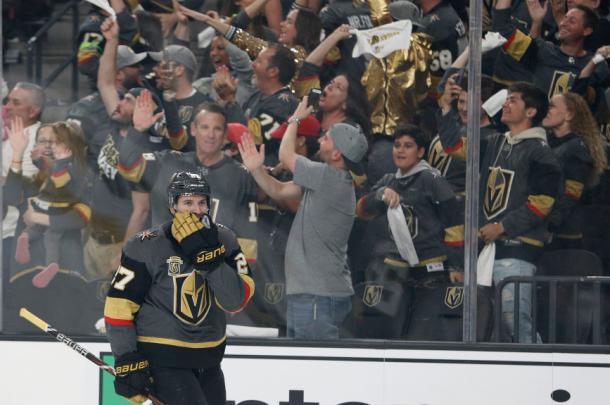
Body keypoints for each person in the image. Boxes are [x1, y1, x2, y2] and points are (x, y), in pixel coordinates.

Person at [104, 170, 254, 405]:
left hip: (210, 361)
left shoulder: (225, 239)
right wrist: (126, 359)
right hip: (164, 361)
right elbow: (118, 307)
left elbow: (236, 301)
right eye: (187, 202)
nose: (196, 209)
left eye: (201, 202)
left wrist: (209, 259)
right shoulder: (146, 245)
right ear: (173, 207)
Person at [440, 81, 562, 343]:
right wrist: (446, 110)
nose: (505, 104)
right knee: (493, 324)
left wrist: (501, 227)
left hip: (518, 247)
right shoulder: (494, 142)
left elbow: (542, 204)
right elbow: (452, 147)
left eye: (513, 100)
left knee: (515, 320)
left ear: (531, 112)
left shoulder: (542, 154)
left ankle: (538, 371)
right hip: (487, 248)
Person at [238, 97, 368, 339]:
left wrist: (296, 118)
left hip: (318, 296)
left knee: (317, 369)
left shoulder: (329, 178)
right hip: (313, 294)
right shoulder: (326, 181)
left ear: (338, 154)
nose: (319, 139)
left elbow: (286, 154)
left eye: (326, 137)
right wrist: (256, 168)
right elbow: (278, 190)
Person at [356, 124, 465, 340]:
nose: (400, 150)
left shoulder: (432, 180)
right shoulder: (389, 181)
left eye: (408, 146)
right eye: (397, 145)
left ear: (421, 152)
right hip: (394, 272)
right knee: (391, 335)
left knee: (422, 335)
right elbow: (361, 211)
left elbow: (454, 226)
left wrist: (456, 265)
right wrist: (380, 194)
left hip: (431, 272)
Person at [13, 121, 90, 280]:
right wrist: (18, 155)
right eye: (43, 141)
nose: (49, 146)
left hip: (66, 254)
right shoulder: (35, 179)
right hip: (28, 259)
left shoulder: (79, 176)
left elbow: (81, 217)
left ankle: (50, 265)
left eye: (55, 141)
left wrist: (38, 217)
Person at [543, 92, 607, 249]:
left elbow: (571, 193)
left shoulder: (578, 149)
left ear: (569, 114)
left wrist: (550, 224)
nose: (546, 109)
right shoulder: (544, 142)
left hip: (563, 235)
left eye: (551, 106)